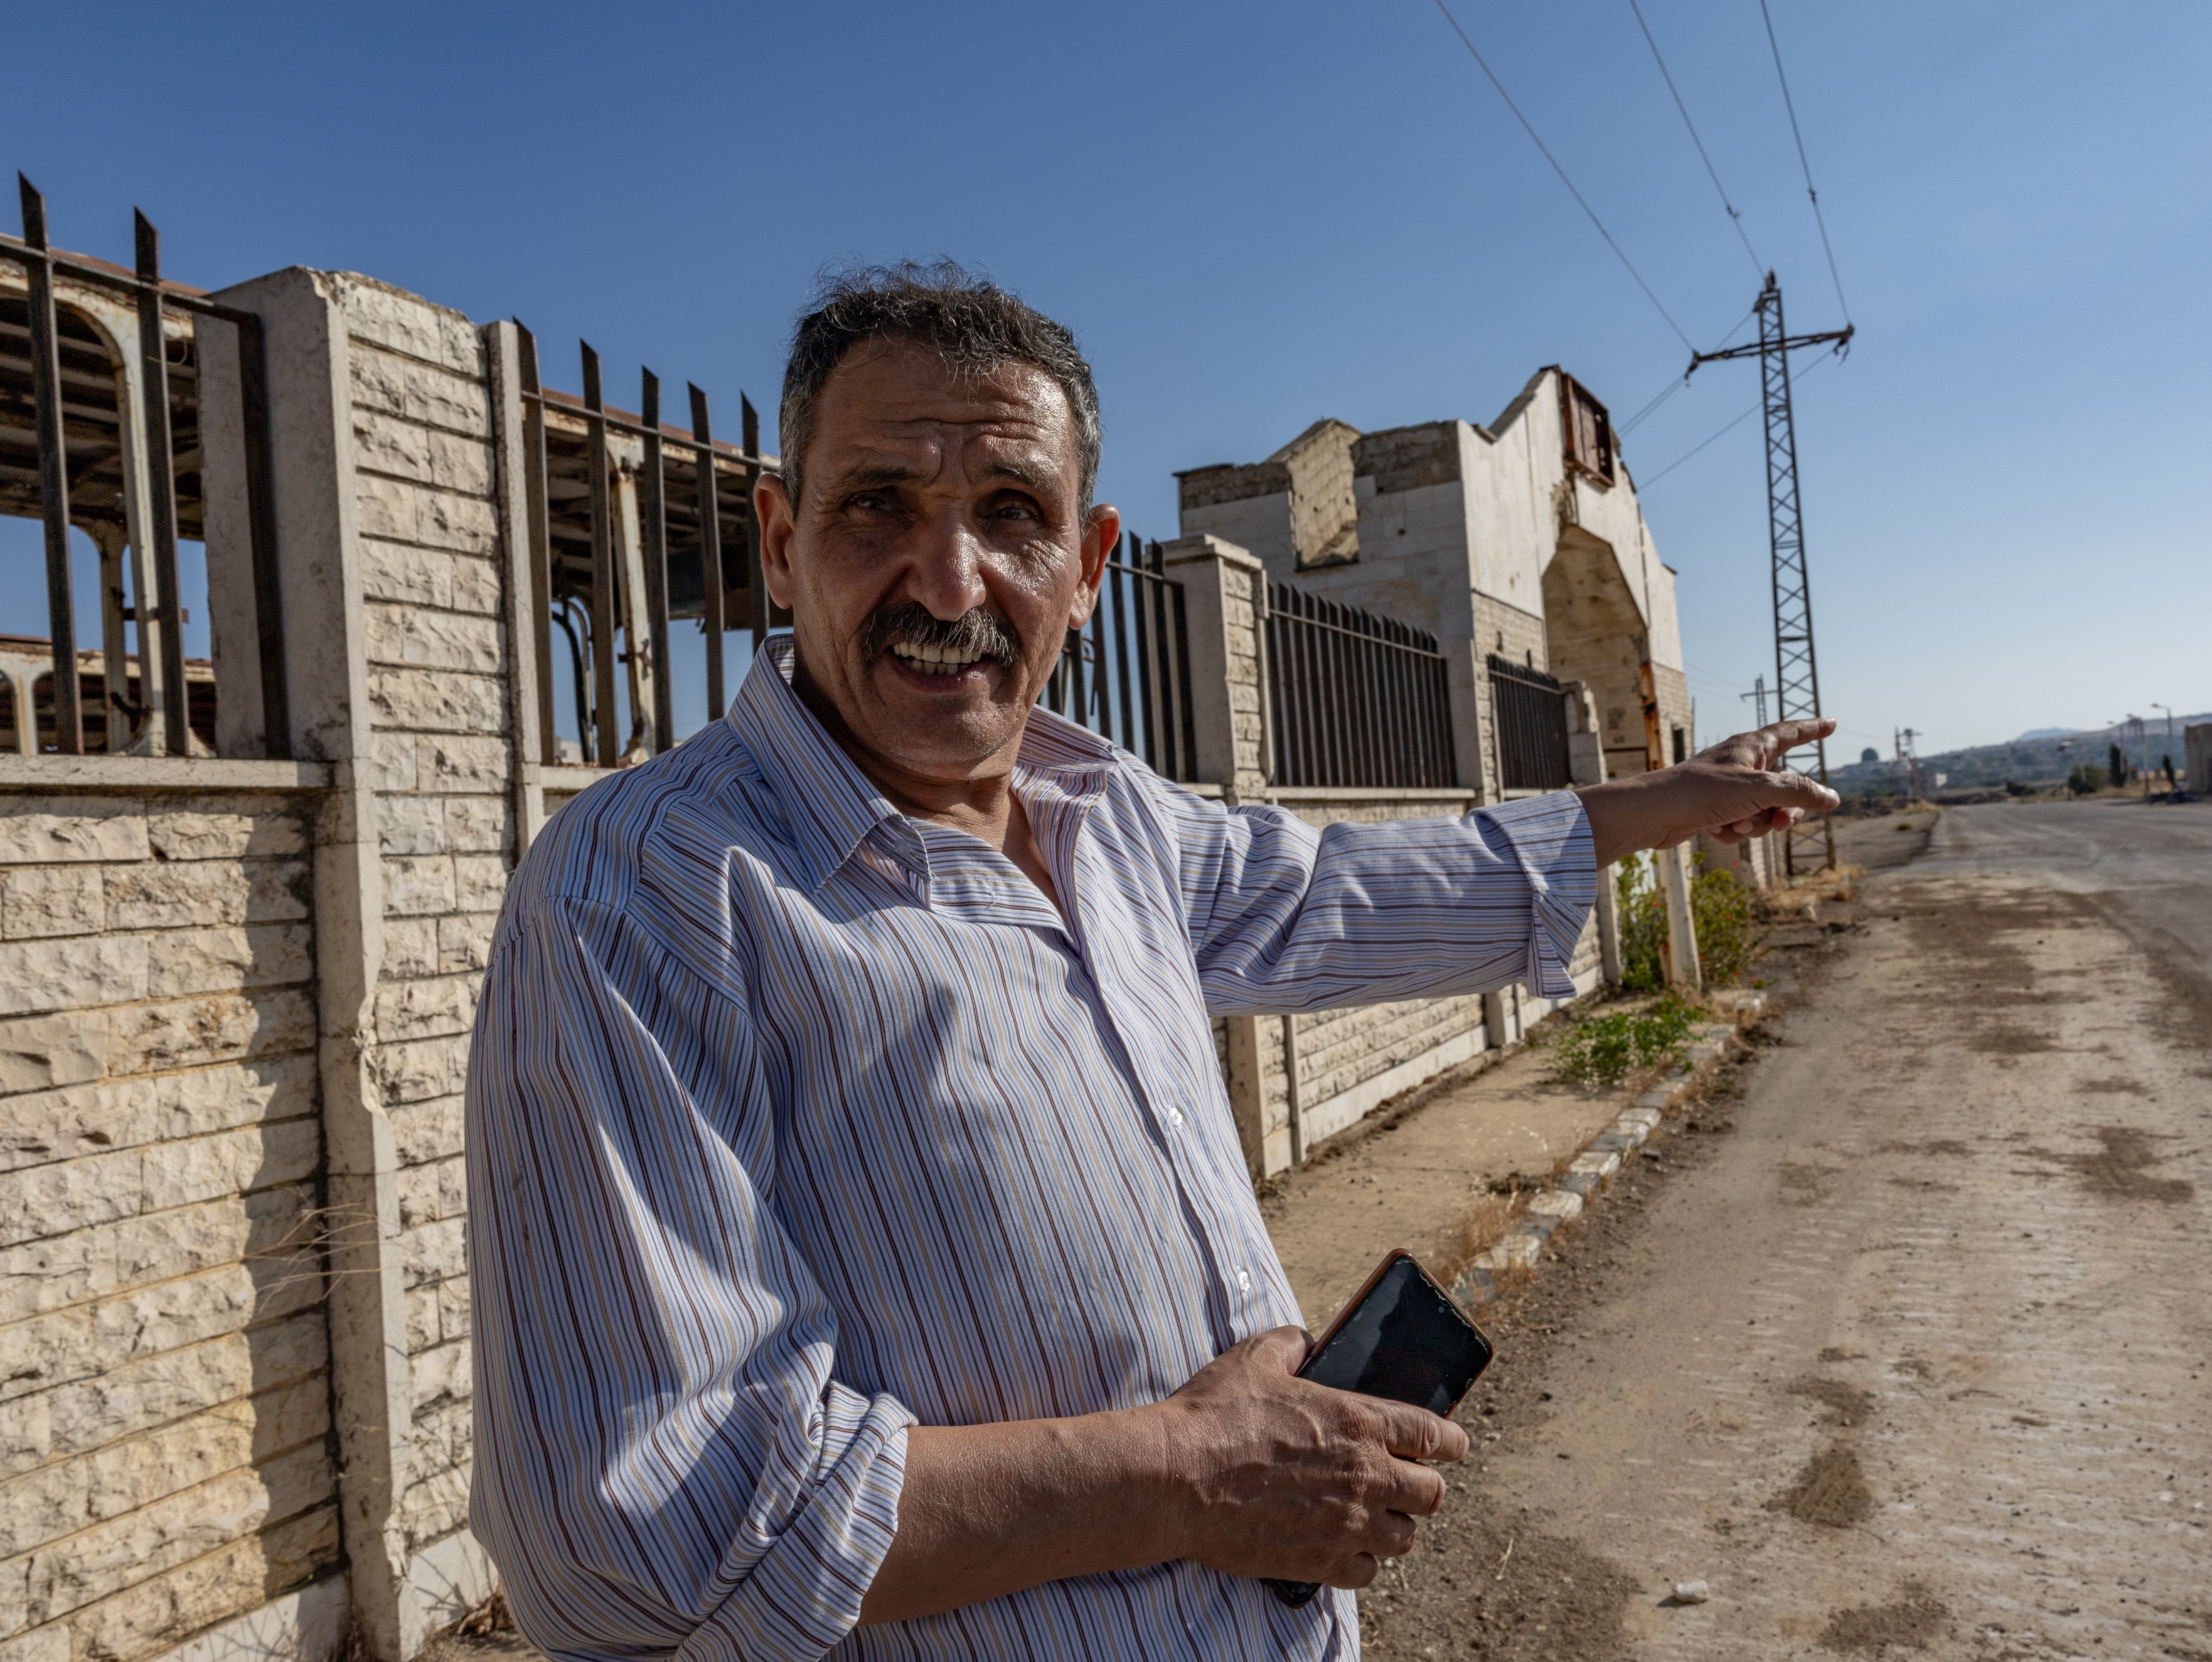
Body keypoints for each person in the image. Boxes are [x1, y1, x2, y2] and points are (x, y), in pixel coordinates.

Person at [466, 263, 1837, 1661]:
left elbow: (1331, 892)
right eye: (878, 504)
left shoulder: (1107, 818)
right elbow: (649, 1529)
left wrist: (1658, 803)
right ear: (778, 537)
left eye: (1012, 515)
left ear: (1091, 565)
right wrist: (1195, 1474)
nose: (950, 580)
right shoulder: (644, 896)